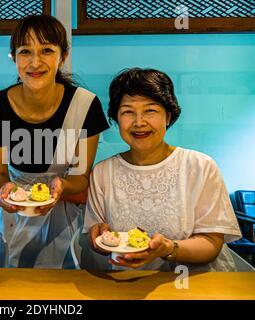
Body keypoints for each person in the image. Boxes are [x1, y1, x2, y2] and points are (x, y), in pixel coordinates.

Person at [0, 15, 109, 268]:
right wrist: (5, 190)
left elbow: (81, 177)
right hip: (16, 212)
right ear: (14, 57)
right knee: (16, 284)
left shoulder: (85, 105)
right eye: (25, 51)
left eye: (47, 50)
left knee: (64, 283)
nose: (35, 62)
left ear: (63, 55)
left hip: (66, 214)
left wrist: (61, 185)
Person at [85, 67, 242, 271]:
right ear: (116, 119)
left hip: (193, 283)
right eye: (128, 112)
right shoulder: (102, 172)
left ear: (168, 116)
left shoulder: (200, 166)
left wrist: (169, 248)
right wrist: (99, 238)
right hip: (126, 283)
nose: (139, 122)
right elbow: (97, 234)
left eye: (150, 110)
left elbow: (212, 243)